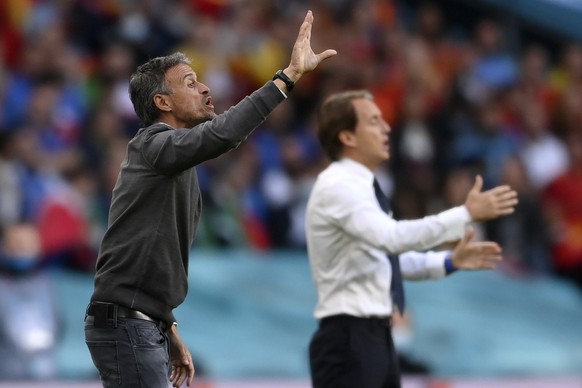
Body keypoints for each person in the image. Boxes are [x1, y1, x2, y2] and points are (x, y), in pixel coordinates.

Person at [84, 10, 337, 388]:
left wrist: (167, 328)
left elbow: (147, 256)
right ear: (163, 102)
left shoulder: (172, 161)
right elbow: (222, 135)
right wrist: (286, 79)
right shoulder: (154, 144)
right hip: (126, 324)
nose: (204, 88)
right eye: (189, 82)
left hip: (139, 323)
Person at [306, 90, 518, 388]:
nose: (387, 128)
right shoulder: (339, 186)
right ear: (348, 138)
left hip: (373, 338)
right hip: (350, 340)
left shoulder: (360, 187)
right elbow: (390, 238)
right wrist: (464, 214)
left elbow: (386, 259)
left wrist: (448, 260)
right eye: (373, 121)